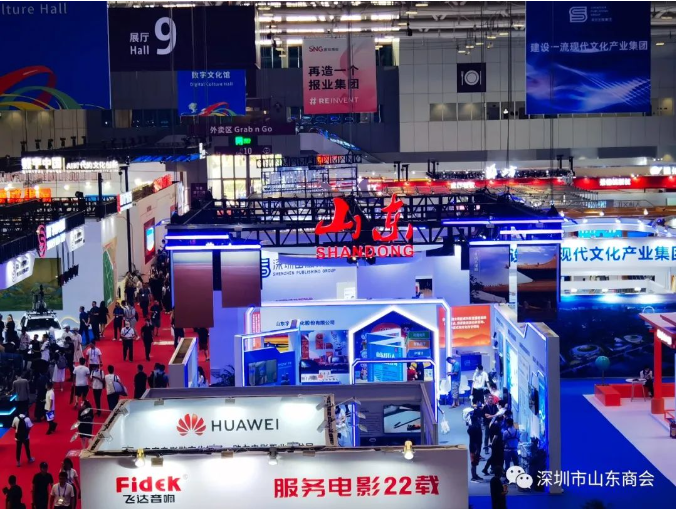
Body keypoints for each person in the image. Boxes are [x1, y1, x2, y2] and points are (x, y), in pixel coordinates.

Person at [467, 406, 483, 482]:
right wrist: (477, 448)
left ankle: (475, 475)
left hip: (474, 446)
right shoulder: (476, 428)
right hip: (475, 446)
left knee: (474, 461)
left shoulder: (471, 428)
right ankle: (473, 476)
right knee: (474, 462)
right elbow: (476, 438)